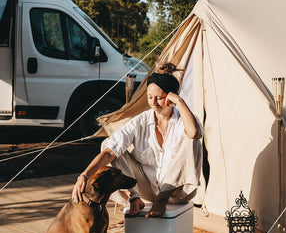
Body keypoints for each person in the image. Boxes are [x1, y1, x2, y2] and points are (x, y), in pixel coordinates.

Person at [72, 63, 203, 218]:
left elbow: (194, 133)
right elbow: (109, 152)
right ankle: (135, 198)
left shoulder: (185, 120)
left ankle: (161, 200)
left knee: (192, 140)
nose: (153, 103)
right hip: (146, 188)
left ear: (171, 97)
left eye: (159, 98)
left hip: (178, 192)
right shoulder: (141, 121)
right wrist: (84, 176)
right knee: (108, 144)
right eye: (149, 97)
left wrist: (180, 102)